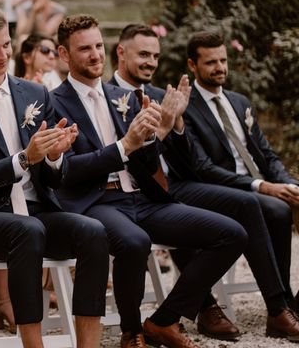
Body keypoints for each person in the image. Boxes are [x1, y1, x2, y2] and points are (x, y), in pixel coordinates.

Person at [51, 15, 248, 348]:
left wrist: (161, 131)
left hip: (143, 198)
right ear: (64, 55)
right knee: (134, 242)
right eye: (84, 49)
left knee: (231, 233)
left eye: (99, 46)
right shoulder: (53, 102)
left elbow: (149, 159)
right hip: (97, 201)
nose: (96, 55)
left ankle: (163, 320)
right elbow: (67, 171)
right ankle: (132, 331)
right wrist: (124, 145)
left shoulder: (124, 97)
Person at [0, 3, 110, 348]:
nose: (2, 55)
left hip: (35, 210)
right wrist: (24, 159)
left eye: (6, 45)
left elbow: (55, 176)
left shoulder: (34, 93)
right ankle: (33, 344)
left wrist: (55, 156)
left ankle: (88, 346)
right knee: (27, 230)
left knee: (93, 231)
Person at [112, 24, 299, 341]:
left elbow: (187, 163)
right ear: (121, 52)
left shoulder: (163, 96)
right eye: (144, 54)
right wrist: (164, 129)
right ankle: (245, 306)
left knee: (267, 210)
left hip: (178, 184)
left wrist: (179, 125)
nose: (151, 62)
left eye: (155, 55)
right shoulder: (105, 97)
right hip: (144, 194)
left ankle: (280, 306)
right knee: (248, 201)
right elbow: (194, 168)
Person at [184, 31, 299, 333]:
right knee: (277, 209)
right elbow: (202, 168)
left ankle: (292, 302)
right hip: (227, 190)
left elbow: (266, 153)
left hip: (261, 185)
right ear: (192, 65)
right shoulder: (188, 107)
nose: (220, 67)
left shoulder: (239, 101)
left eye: (223, 60)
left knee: (291, 199)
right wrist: (261, 187)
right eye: (210, 62)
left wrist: (288, 183)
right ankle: (281, 305)